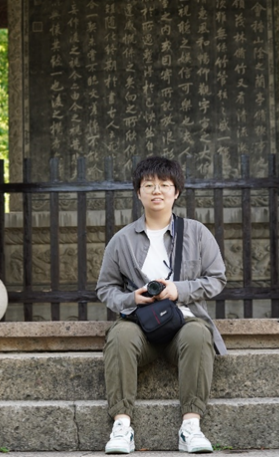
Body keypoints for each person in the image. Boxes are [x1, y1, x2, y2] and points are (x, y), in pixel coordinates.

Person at [96, 156, 227, 454]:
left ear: (176, 191)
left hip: (183, 322)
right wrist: (132, 298)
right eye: (149, 185)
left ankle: (191, 426)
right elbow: (105, 288)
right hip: (139, 324)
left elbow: (217, 279)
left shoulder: (196, 233)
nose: (157, 191)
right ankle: (122, 426)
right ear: (138, 192)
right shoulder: (121, 240)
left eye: (165, 185)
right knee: (119, 335)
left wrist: (179, 290)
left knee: (199, 333)